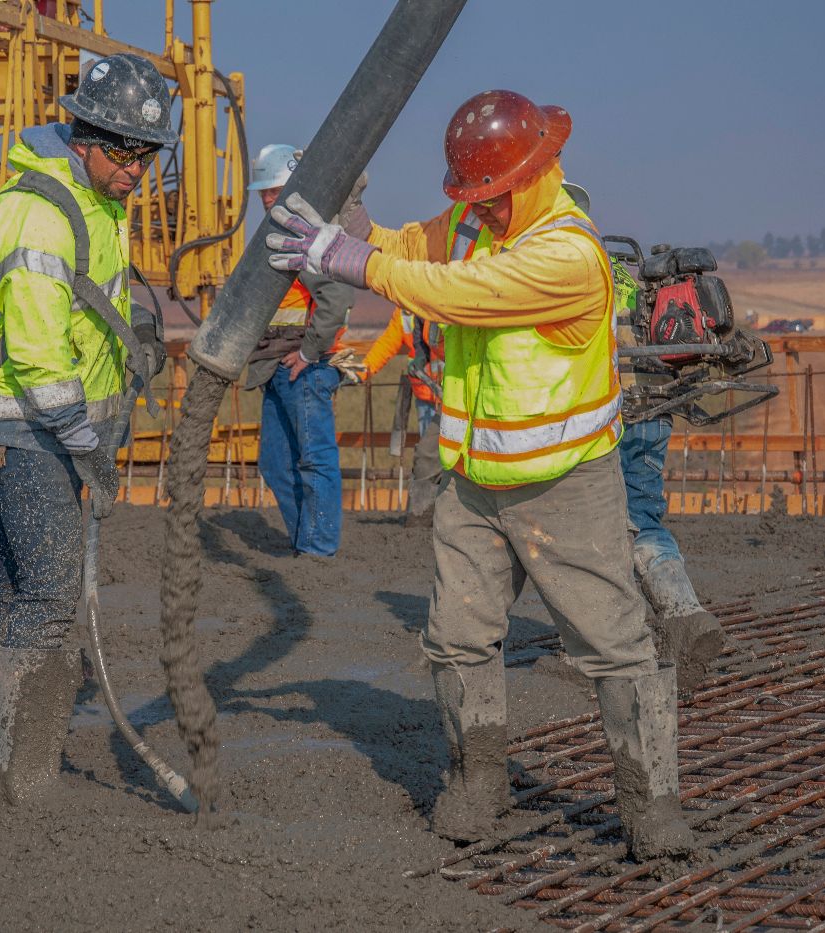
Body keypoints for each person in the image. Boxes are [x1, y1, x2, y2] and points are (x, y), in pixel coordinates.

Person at [265, 90, 695, 860]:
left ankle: (651, 804)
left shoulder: (568, 254)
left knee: (614, 643)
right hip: (472, 481)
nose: (483, 210)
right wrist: (353, 222)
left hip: (565, 484)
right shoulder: (472, 222)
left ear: (537, 172)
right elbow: (413, 246)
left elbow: (460, 294)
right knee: (456, 636)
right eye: (473, 196)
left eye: (494, 196)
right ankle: (477, 780)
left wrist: (356, 263)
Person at [0, 53, 172, 803]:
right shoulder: (39, 211)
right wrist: (85, 445)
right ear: (86, 136)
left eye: (148, 157)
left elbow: (82, 305)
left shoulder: (97, 203)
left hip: (40, 430)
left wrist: (129, 336)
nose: (137, 171)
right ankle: (28, 771)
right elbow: (39, 353)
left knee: (12, 580)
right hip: (28, 431)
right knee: (47, 591)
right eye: (126, 154)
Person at [611, 256, 728, 689]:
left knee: (592, 527)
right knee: (643, 514)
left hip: (603, 413)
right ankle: (684, 611)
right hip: (656, 406)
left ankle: (607, 642)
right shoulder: (632, 280)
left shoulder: (572, 271)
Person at [244, 144, 356, 558]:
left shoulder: (304, 240)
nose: (267, 199)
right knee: (276, 463)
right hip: (276, 366)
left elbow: (336, 298)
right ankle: (303, 545)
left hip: (305, 368)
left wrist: (309, 353)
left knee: (315, 459)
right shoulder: (276, 240)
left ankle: (318, 552)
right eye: (264, 192)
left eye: (274, 190)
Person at [362, 307, 443, 525]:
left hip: (453, 395)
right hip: (426, 393)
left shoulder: (443, 300)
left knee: (448, 457)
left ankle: (443, 513)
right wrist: (362, 371)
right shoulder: (405, 312)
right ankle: (427, 515)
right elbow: (387, 343)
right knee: (430, 456)